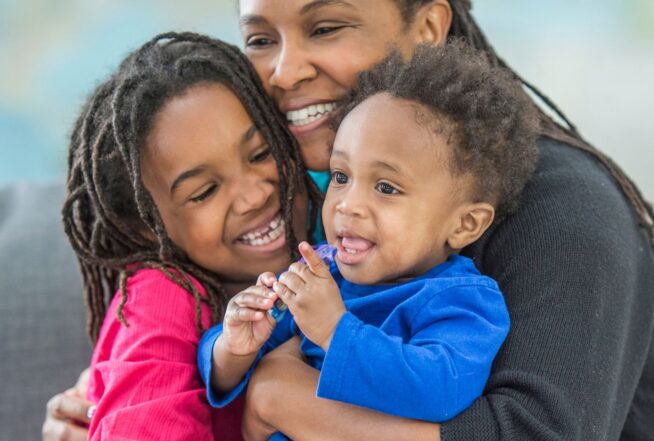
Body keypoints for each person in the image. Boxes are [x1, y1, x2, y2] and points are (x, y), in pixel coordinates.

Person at [44, 1, 654, 440]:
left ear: (430, 27)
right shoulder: (318, 208)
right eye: (261, 39)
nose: (284, 72)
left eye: (326, 26)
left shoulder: (567, 208)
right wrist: (117, 399)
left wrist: (284, 399)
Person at [200, 42, 539, 435]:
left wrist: (334, 329)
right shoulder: (321, 273)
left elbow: (438, 390)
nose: (348, 205)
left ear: (464, 225)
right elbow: (230, 362)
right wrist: (234, 345)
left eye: (386, 187)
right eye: (341, 177)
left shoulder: (462, 301)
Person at [56, 31, 320, 440]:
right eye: (204, 192)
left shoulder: (341, 237)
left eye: (260, 153)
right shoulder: (161, 297)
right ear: (143, 226)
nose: (253, 195)